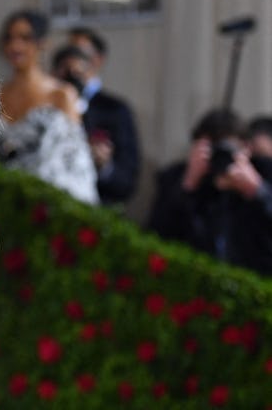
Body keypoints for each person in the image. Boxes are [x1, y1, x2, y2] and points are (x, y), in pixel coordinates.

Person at [0, 9, 98, 204]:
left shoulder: (61, 95)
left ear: (42, 43)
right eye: (10, 38)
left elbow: (76, 163)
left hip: (50, 207)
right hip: (1, 204)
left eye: (25, 38)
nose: (16, 46)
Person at [147, 108, 272, 275]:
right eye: (214, 151)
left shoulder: (264, 174)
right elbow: (154, 236)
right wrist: (188, 185)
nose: (220, 159)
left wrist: (258, 191)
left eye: (227, 151)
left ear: (246, 148)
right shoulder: (177, 178)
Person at [65, 26, 141, 205]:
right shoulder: (51, 105)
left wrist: (104, 166)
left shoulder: (115, 110)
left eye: (80, 53)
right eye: (68, 53)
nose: (72, 62)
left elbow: (127, 180)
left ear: (98, 59)